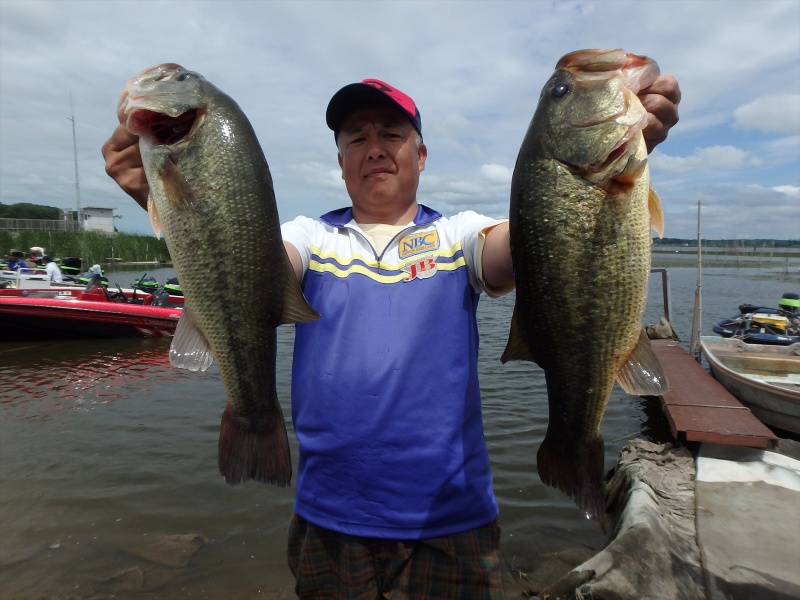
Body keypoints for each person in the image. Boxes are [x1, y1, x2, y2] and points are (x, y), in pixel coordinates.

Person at [102, 69, 680, 598]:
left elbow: (528, 248)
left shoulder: (460, 234)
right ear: (341, 160)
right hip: (328, 517)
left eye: (392, 134)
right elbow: (248, 269)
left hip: (453, 520)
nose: (374, 147)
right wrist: (169, 191)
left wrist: (606, 166)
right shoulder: (309, 237)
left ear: (421, 154)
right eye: (356, 137)